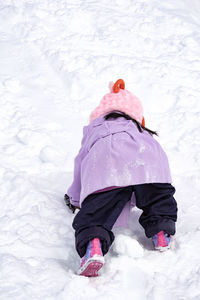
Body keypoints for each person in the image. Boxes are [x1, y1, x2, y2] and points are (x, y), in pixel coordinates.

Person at [65, 79, 178, 277]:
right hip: (149, 159)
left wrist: (75, 199)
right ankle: (162, 232)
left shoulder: (96, 129)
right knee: (157, 195)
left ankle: (94, 246)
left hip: (108, 163)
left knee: (98, 209)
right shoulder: (140, 131)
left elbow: (81, 167)